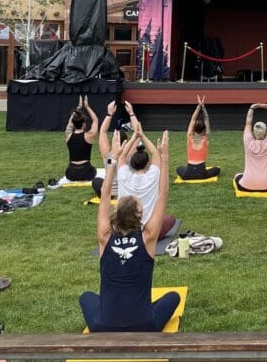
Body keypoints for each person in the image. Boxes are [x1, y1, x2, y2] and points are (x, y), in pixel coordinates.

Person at [80, 130, 181, 332]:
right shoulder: (148, 236)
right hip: (146, 325)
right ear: (139, 217)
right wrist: (164, 157)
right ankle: (138, 311)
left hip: (103, 325)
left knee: (85, 296)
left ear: (115, 216)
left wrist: (114, 160)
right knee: (174, 297)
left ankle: (122, 312)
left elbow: (106, 192)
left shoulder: (104, 236)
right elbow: (163, 194)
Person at [113, 111, 176, 239]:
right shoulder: (152, 176)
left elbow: (121, 156)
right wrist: (142, 136)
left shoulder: (123, 175)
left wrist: (134, 137)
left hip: (124, 229)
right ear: (147, 164)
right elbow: (156, 155)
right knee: (170, 219)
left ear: (132, 163)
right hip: (149, 231)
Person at [177, 95, 220, 181]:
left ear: (193, 128)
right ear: (204, 129)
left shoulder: (189, 136)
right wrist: (203, 107)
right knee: (217, 169)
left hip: (188, 174)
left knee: (179, 168)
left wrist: (198, 106)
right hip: (202, 173)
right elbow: (206, 119)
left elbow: (193, 119)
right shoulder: (205, 138)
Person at [236, 103, 267, 192]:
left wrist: (252, 108)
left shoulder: (247, 140)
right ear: (265, 132)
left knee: (238, 176)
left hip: (246, 186)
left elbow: (248, 122)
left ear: (253, 132)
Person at [64, 96, 100, 182]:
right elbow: (95, 120)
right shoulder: (89, 135)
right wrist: (87, 107)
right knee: (93, 170)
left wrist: (78, 108)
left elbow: (70, 123)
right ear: (84, 124)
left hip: (71, 173)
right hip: (86, 172)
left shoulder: (68, 135)